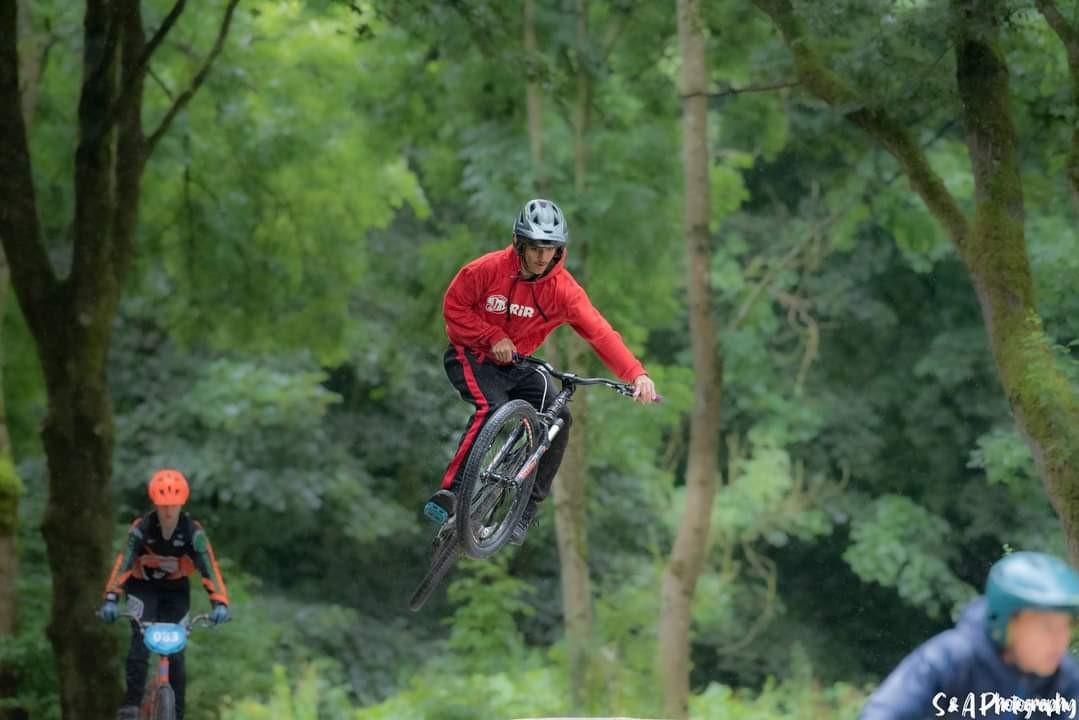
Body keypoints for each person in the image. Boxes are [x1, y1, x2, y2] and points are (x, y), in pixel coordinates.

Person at [424, 197, 658, 545]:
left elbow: (600, 332)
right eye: (534, 247)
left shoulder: (564, 291)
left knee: (559, 418)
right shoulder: (485, 270)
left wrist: (636, 374)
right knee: (492, 408)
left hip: (517, 365)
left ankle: (525, 510)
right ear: (519, 243)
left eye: (550, 248)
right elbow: (453, 309)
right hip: (471, 356)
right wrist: (491, 336)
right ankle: (453, 493)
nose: (541, 257)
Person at [860, 550, 1079, 719]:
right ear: (1005, 621)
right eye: (1046, 627)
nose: (1060, 640)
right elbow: (883, 713)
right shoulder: (950, 660)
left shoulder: (1063, 678)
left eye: (1064, 626)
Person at [98, 469, 231, 720]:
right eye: (163, 506)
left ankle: (176, 714)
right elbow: (123, 562)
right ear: (155, 506)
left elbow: (208, 566)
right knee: (140, 641)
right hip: (142, 586)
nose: (169, 512)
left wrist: (219, 603)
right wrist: (110, 598)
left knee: (177, 654)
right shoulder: (141, 528)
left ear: (182, 504)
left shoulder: (193, 532)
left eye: (173, 506)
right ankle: (131, 705)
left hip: (175, 590)